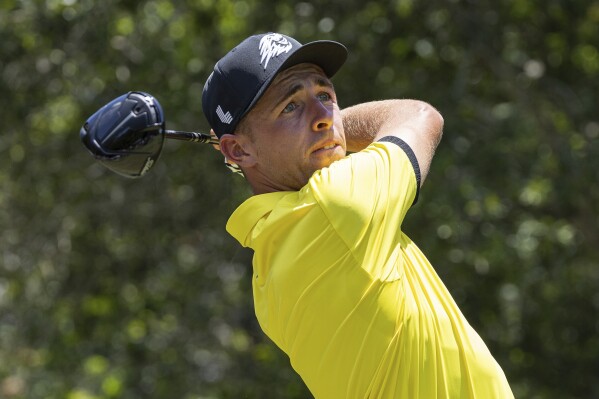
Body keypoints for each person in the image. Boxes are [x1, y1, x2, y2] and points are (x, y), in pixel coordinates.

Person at [201, 32, 514, 398]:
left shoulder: (266, 275)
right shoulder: (335, 204)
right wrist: (333, 130)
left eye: (325, 95)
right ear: (237, 150)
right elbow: (419, 116)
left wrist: (276, 140)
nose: (323, 117)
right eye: (291, 106)